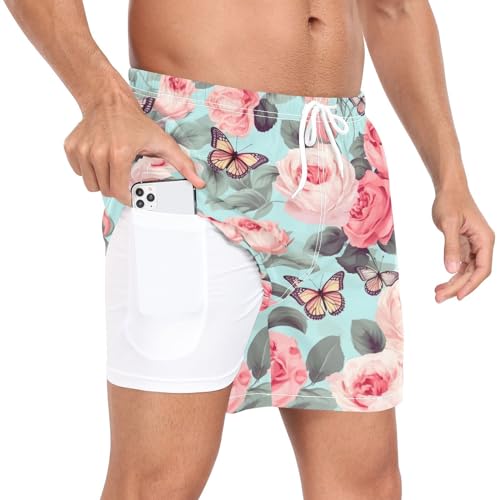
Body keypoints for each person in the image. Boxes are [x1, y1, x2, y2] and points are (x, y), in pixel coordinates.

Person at [4, 1, 495, 499]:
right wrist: (101, 97)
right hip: (194, 153)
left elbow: (394, 9)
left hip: (341, 161)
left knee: (365, 486)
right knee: (155, 482)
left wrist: (450, 177)